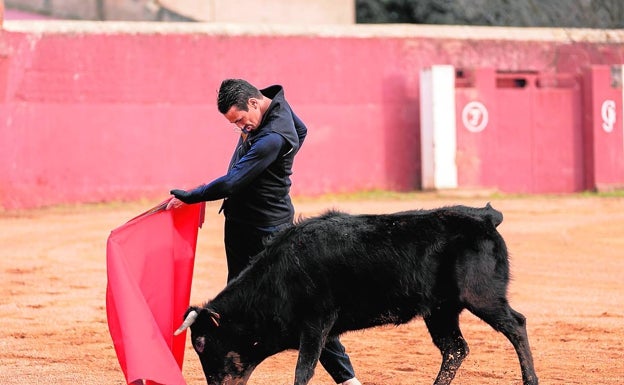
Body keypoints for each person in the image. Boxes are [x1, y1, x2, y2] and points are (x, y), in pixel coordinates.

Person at [166, 79, 361, 385]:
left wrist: (194, 195)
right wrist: (279, 167)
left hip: (270, 234)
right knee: (235, 300)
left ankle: (347, 379)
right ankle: (231, 371)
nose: (241, 127)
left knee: (304, 307)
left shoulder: (272, 138)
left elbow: (231, 182)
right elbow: (303, 131)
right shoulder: (273, 108)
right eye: (234, 124)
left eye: (241, 120)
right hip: (243, 225)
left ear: (254, 104)